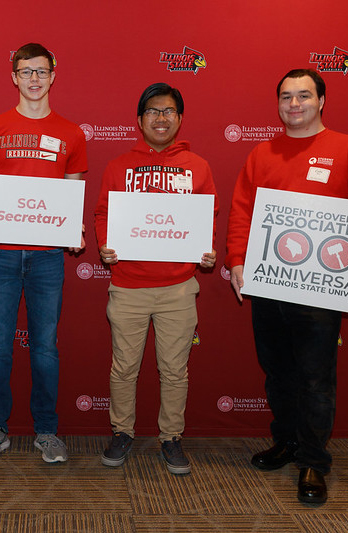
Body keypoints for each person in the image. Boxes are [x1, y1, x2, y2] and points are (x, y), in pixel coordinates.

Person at [225, 68, 348, 503]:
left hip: (320, 289)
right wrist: (237, 260)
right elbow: (242, 212)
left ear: (322, 100)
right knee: (277, 373)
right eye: (286, 97)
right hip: (269, 283)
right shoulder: (261, 153)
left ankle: (313, 460)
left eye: (304, 96)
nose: (294, 105)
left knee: (315, 378)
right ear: (277, 104)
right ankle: (288, 439)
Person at [0, 43, 87, 464]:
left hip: (48, 256)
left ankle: (47, 430)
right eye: (25, 71)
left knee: (46, 347)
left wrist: (72, 227)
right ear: (14, 77)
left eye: (41, 71)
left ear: (53, 75)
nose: (34, 79)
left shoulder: (71, 132)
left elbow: (72, 192)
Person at [94, 83, 218, 475]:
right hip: (129, 285)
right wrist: (105, 245)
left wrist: (206, 249)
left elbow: (207, 217)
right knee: (124, 368)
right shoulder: (119, 164)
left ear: (179, 118)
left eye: (168, 111)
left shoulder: (198, 165)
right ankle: (122, 431)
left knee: (174, 370)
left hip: (178, 287)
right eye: (152, 111)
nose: (160, 118)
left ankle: (171, 437)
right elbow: (102, 214)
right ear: (139, 120)